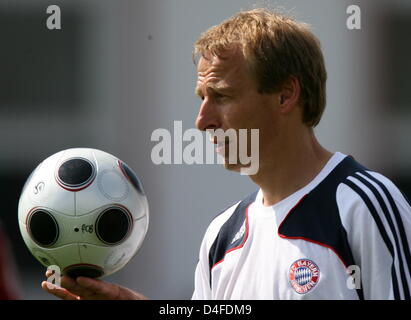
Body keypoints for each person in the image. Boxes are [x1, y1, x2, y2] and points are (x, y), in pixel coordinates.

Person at [42, 8, 411, 300]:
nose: (202, 122)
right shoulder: (223, 234)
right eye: (202, 99)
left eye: (222, 96)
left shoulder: (363, 206)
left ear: (285, 95)